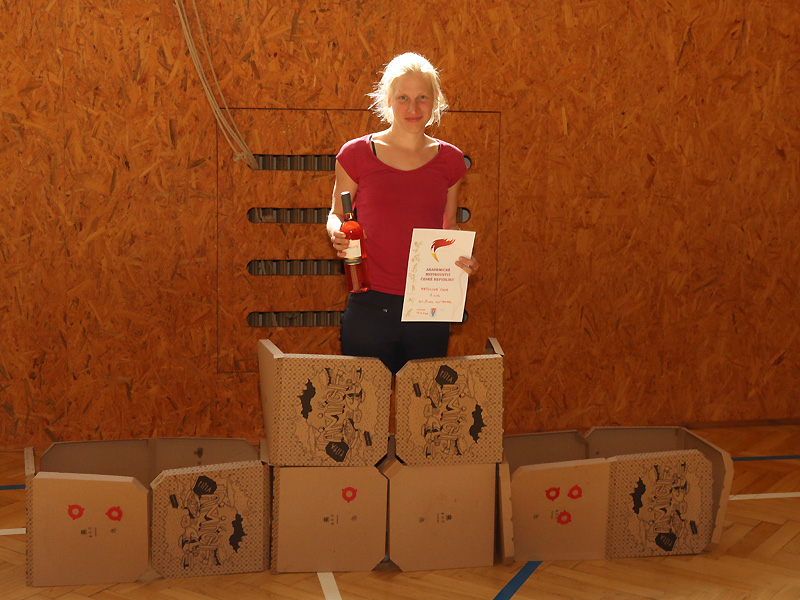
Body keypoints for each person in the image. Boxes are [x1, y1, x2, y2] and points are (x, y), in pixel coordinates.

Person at [326, 52, 479, 375]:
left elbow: (448, 227)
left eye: (422, 97)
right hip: (369, 303)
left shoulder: (450, 160)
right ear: (388, 100)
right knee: (364, 402)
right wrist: (336, 232)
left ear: (435, 101)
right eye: (403, 98)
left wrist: (463, 259)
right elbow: (336, 214)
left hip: (428, 308)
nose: (413, 108)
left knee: (425, 403)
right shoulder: (355, 154)